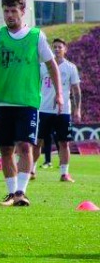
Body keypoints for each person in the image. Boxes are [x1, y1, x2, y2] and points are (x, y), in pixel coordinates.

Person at [0, 0, 60, 207]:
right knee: (6, 149)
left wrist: (60, 93)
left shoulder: (36, 36)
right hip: (2, 102)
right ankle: (11, 193)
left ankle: (21, 192)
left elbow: (51, 65)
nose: (9, 15)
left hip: (27, 102)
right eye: (6, 11)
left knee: (26, 146)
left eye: (13, 11)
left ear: (23, 11)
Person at [36, 37, 81, 182]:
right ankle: (31, 170)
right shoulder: (43, 66)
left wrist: (77, 109)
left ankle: (64, 173)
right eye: (54, 47)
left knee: (64, 142)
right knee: (38, 141)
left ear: (65, 49)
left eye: (59, 47)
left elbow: (76, 90)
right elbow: (35, 85)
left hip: (63, 111)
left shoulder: (70, 67)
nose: (56, 49)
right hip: (43, 109)